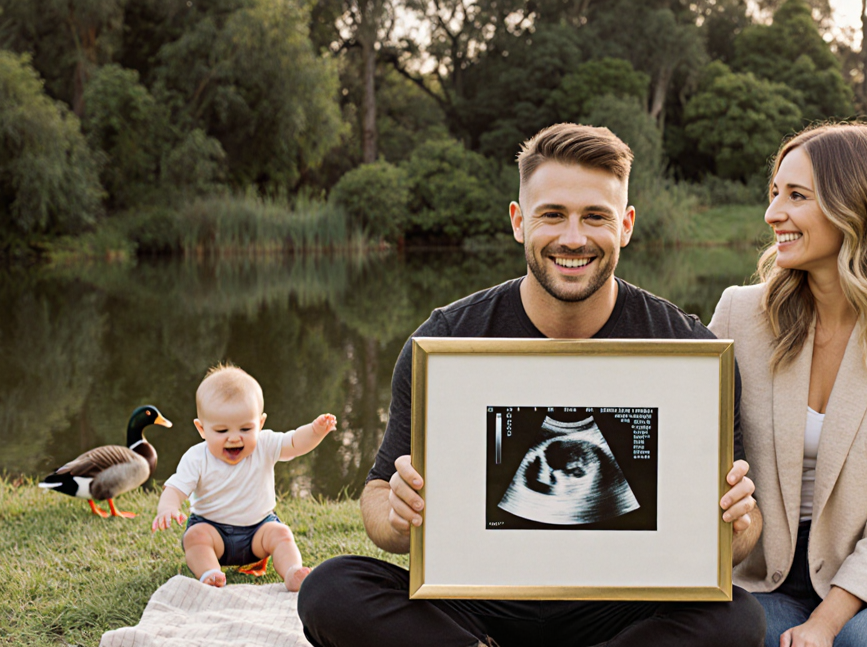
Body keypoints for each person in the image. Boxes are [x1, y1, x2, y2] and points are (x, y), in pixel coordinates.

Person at [297, 123, 765, 647]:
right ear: (519, 221)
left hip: (620, 606)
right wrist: (397, 514)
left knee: (738, 619)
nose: (573, 238)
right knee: (330, 589)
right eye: (552, 215)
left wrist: (738, 522)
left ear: (626, 225)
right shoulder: (447, 341)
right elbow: (380, 496)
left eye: (595, 217)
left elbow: (741, 537)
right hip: (475, 602)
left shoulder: (687, 351)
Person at [708, 123, 867, 647]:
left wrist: (825, 625)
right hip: (765, 575)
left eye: (796, 196)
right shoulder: (740, 313)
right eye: (775, 193)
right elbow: (695, 446)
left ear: (858, 207)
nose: (773, 213)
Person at [152, 364, 338, 592]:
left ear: (260, 424)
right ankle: (210, 574)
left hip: (258, 532)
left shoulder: (265, 444)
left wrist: (315, 431)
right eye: (221, 431)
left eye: (245, 429)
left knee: (281, 534)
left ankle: (292, 572)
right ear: (202, 429)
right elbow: (175, 488)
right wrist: (167, 508)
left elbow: (294, 443)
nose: (233, 438)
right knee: (195, 538)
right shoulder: (196, 457)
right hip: (213, 532)